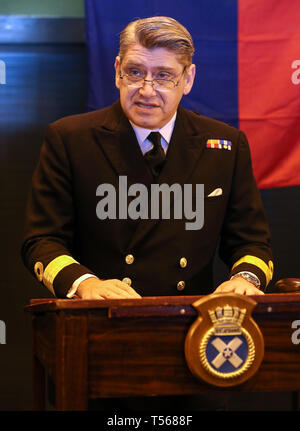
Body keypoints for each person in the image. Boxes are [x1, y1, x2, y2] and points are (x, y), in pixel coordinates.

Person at [21, 16, 273, 300]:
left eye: (163, 75)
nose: (147, 90)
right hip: (99, 319)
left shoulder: (225, 145)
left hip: (191, 323)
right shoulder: (70, 139)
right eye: (135, 72)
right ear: (117, 71)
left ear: (187, 79)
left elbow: (250, 241)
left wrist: (244, 279)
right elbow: (42, 240)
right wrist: (85, 284)